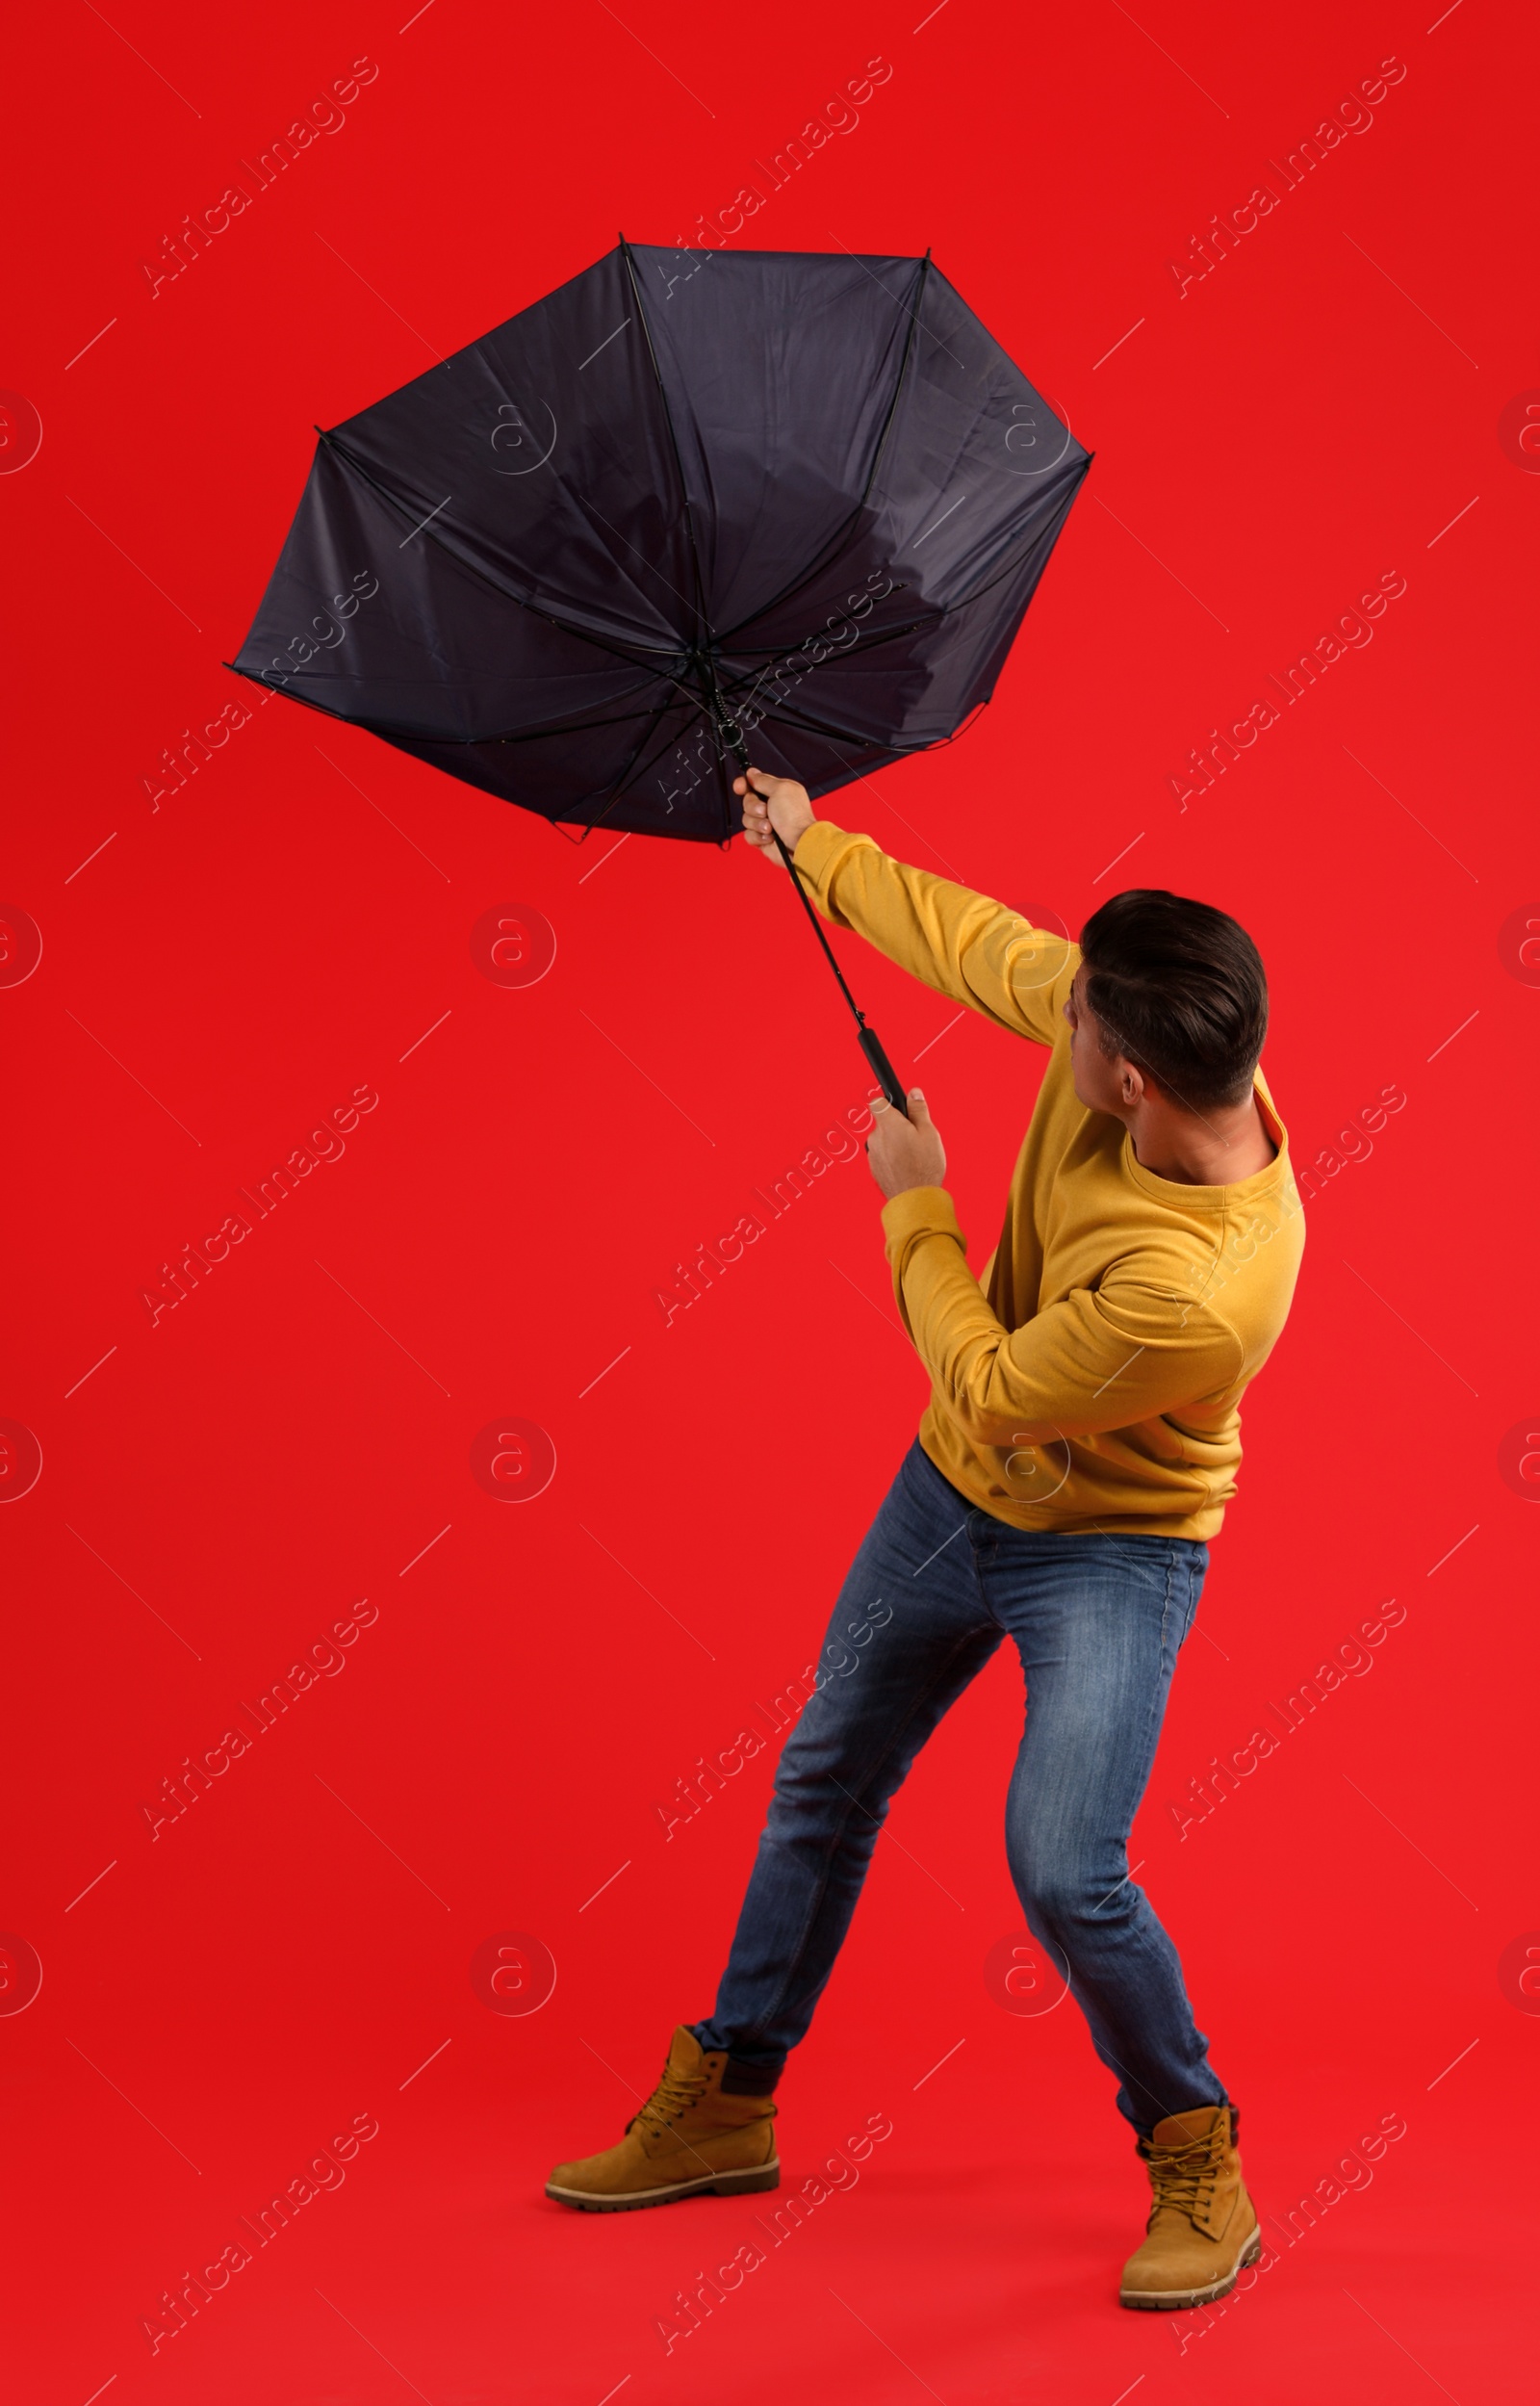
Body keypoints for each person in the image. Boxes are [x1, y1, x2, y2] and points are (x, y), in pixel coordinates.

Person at [546, 769, 1306, 2311]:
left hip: (1106, 1539)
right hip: (950, 1499)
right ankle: (733, 2102)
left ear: (1137, 1082)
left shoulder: (1200, 1283)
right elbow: (975, 944)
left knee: (1063, 1866)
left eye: (1077, 1022)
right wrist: (813, 847)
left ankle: (1195, 2151)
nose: (1056, 1015)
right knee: (827, 1771)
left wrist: (917, 1205)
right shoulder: (1147, 1039)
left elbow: (985, 1380)